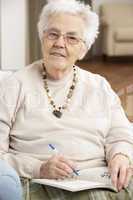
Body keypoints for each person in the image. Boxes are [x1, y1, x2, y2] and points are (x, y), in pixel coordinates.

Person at [0, 0, 133, 199]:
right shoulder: (14, 85)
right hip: (37, 183)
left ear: (84, 49)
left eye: (72, 38)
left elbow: (120, 133)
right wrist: (39, 168)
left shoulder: (99, 86)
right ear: (42, 38)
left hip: (101, 179)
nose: (60, 43)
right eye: (53, 34)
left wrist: (120, 155)